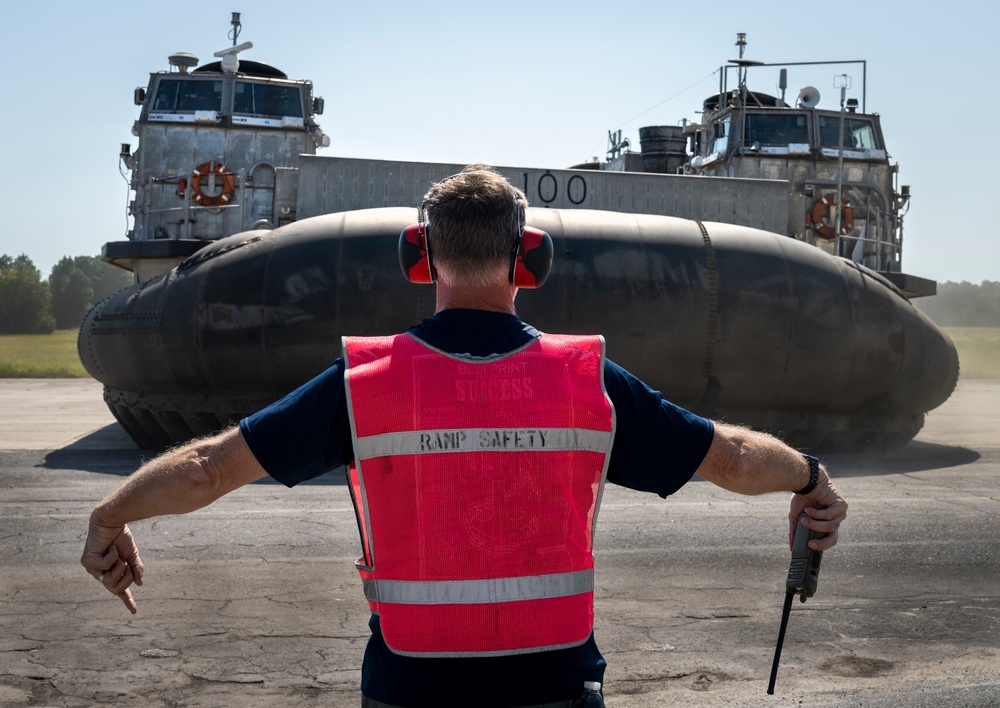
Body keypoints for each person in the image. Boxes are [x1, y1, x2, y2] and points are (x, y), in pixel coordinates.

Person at [82, 164, 848, 708]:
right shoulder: (587, 379)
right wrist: (811, 479)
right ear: (530, 256)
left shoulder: (365, 382)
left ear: (419, 255)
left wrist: (108, 517)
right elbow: (737, 459)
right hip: (554, 685)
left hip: (411, 687)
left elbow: (207, 470)